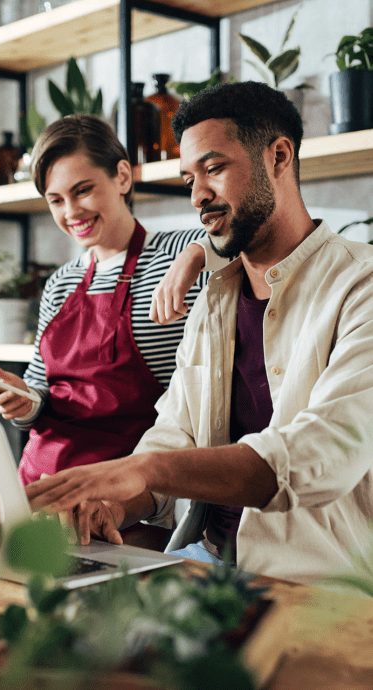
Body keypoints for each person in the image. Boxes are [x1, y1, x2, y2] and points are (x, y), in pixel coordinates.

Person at [25, 81, 373, 586]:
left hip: (319, 587)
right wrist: (115, 503)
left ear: (279, 157)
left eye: (213, 169)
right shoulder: (215, 296)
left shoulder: (358, 285)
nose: (197, 196)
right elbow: (175, 430)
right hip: (204, 568)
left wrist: (143, 470)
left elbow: (319, 453)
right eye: (190, 178)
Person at [0, 114, 211, 496]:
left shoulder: (178, 254)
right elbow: (42, 393)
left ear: (122, 176)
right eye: (56, 200)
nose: (71, 212)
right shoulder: (60, 283)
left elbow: (245, 240)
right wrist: (24, 401)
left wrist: (198, 252)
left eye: (82, 190)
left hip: (131, 491)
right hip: (43, 483)